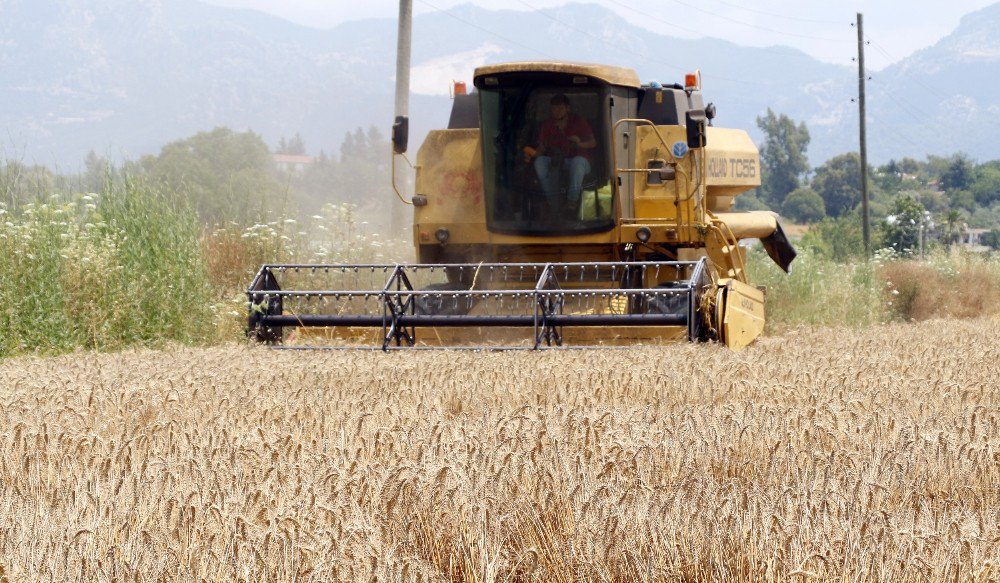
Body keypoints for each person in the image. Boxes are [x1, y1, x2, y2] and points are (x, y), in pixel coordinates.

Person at [525, 94, 596, 209]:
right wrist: (530, 154)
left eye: (560, 108)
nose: (556, 111)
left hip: (579, 162)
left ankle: (571, 202)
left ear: (568, 108)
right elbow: (541, 148)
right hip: (557, 160)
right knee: (540, 162)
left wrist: (578, 144)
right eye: (553, 108)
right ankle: (552, 200)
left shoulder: (579, 122)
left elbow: (593, 143)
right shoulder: (547, 125)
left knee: (577, 162)